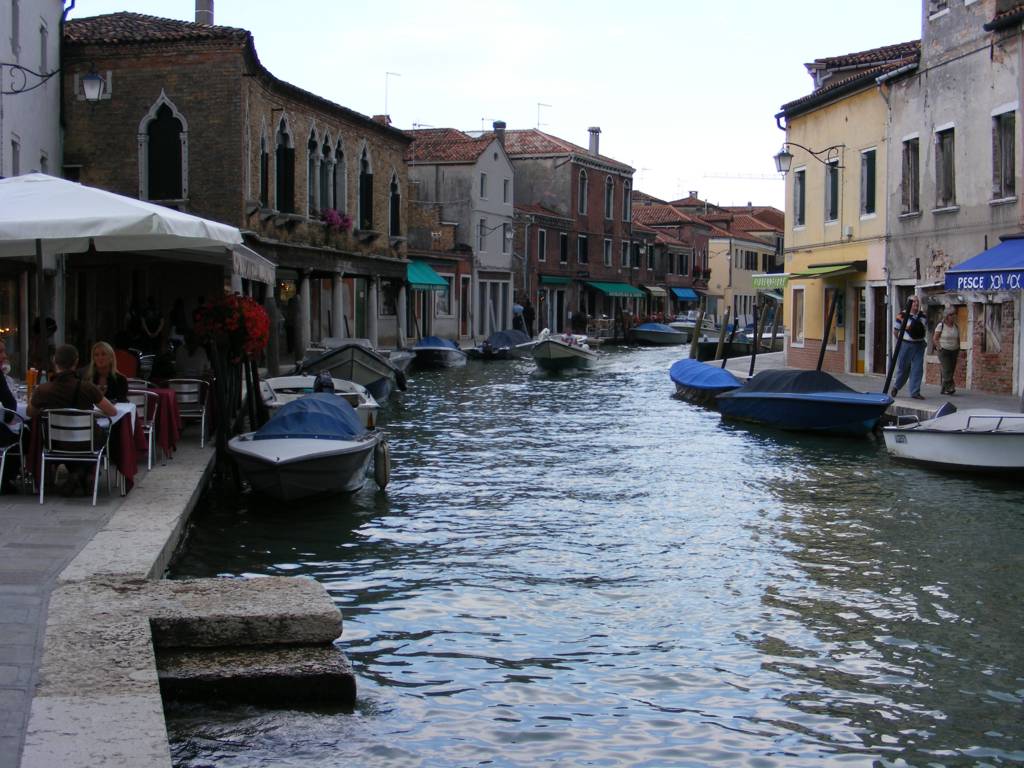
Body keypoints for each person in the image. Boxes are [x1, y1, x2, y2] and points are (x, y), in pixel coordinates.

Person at [29, 344, 118, 496]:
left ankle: (76, 474)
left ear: (54, 361)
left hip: (55, 443)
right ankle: (81, 472)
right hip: (86, 443)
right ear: (76, 362)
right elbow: (112, 411)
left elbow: (30, 412)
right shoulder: (87, 388)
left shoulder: (43, 389)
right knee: (105, 434)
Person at [891, 296, 928, 400]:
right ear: (909, 303)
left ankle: (915, 392)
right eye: (914, 302)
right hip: (906, 344)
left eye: (917, 301)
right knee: (903, 369)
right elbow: (895, 331)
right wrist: (902, 342)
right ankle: (896, 386)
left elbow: (924, 328)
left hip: (919, 345)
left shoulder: (923, 315)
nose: (916, 304)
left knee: (917, 368)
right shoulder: (902, 316)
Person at [932, 306, 961, 395]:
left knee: (951, 370)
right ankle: (950, 387)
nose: (953, 316)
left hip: (954, 350)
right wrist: (939, 347)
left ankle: (944, 388)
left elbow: (958, 338)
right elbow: (935, 338)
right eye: (951, 315)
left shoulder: (956, 326)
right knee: (947, 369)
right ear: (947, 316)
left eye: (954, 314)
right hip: (944, 350)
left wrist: (959, 347)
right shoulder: (941, 325)